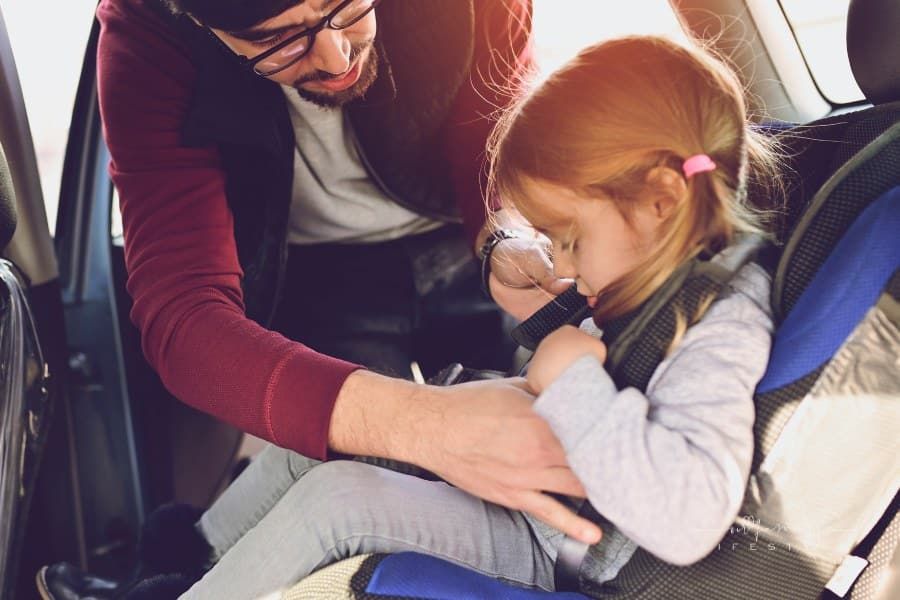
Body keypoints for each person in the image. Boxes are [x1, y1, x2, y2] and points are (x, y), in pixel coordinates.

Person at [174, 34, 779, 598]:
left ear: (661, 200)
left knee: (336, 502)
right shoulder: (657, 281)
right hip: (535, 497)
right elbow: (609, 379)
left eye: (568, 239)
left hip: (555, 538)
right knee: (319, 442)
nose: (562, 262)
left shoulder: (723, 327)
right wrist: (551, 325)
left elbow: (685, 518)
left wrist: (570, 381)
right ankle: (182, 565)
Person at [91, 0, 599, 545]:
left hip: (468, 241)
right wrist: (425, 425)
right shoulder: (146, 40)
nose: (336, 58)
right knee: (375, 492)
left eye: (349, 7)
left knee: (559, 451)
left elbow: (496, 127)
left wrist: (508, 233)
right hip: (323, 276)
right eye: (278, 39)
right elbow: (185, 320)